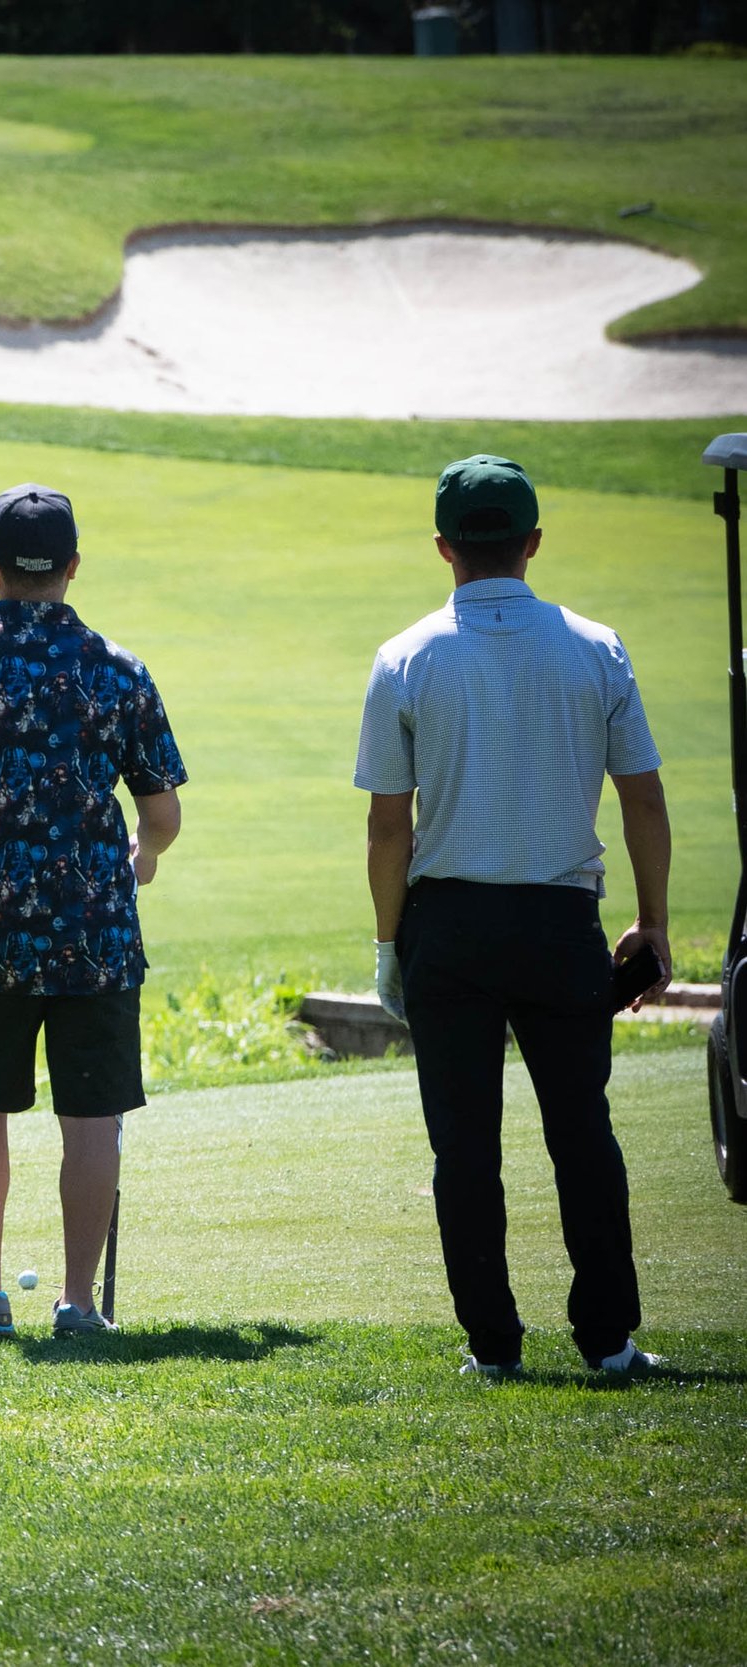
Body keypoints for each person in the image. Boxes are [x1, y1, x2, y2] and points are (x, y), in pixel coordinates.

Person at [355, 454, 674, 1379]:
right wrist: (651, 922)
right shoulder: (595, 644)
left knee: (464, 1146)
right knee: (583, 1133)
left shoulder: (406, 657)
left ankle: (493, 1348)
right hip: (560, 922)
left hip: (447, 928)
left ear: (444, 547)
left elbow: (387, 827)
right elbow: (642, 800)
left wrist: (389, 943)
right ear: (532, 542)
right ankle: (609, 1340)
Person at [0, 484, 186, 1340]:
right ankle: (80, 1304)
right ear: (72, 567)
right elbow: (161, 815)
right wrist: (144, 857)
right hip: (97, 932)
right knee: (91, 1120)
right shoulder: (119, 669)